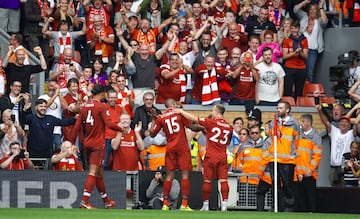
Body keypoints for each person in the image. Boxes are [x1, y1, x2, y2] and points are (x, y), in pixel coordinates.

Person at [69, 84, 123, 209]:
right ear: (103, 93)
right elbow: (109, 123)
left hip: (87, 143)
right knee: (93, 172)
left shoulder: (83, 108)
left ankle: (107, 202)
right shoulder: (101, 106)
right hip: (98, 144)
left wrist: (71, 142)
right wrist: (122, 129)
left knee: (99, 173)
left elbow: (76, 127)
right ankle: (84, 201)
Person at [175, 104, 233, 211]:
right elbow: (228, 142)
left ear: (216, 112)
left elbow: (194, 119)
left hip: (210, 156)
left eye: (213, 110)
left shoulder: (211, 122)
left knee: (207, 181)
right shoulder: (229, 127)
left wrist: (181, 112)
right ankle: (224, 206)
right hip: (222, 156)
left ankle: (206, 206)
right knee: (224, 181)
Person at [150, 98, 194, 211]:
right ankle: (184, 204)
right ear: (174, 104)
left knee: (169, 176)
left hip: (170, 149)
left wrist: (153, 119)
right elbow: (192, 126)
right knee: (185, 176)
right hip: (182, 147)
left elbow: (152, 134)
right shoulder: (179, 114)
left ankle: (165, 203)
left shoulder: (161, 118)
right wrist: (204, 127)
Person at [264, 100, 300, 212]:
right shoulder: (273, 123)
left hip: (287, 159)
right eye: (278, 108)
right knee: (274, 184)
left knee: (287, 184)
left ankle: (289, 206)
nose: (278, 110)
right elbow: (269, 136)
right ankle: (276, 206)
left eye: (281, 108)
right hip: (274, 158)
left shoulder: (295, 124)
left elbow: (298, 142)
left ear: (287, 110)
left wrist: (293, 154)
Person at [317, 104, 354, 187]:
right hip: (333, 168)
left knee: (347, 192)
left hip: (346, 169)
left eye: (346, 122)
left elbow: (357, 124)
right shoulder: (334, 131)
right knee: (334, 193)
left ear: (349, 125)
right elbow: (325, 121)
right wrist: (319, 111)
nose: (343, 123)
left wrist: (356, 107)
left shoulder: (351, 133)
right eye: (341, 121)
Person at [294, 114, 322, 212]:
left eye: (302, 121)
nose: (300, 123)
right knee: (299, 198)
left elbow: (317, 156)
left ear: (308, 122)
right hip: (298, 174)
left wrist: (310, 170)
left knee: (310, 197)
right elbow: (296, 154)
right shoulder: (298, 136)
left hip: (310, 174)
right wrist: (298, 172)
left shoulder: (316, 137)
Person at [294, 0, 327, 83]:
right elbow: (295, 10)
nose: (312, 11)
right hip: (300, 49)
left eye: (314, 9)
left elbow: (325, 22)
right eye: (311, 9)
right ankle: (299, 93)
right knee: (299, 72)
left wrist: (321, 7)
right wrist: (305, 1)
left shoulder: (318, 20)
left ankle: (309, 94)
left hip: (312, 51)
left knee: (309, 73)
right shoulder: (304, 17)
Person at [38, 80, 68, 151]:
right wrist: (55, 95)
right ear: (47, 87)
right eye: (51, 86)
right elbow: (45, 106)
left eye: (54, 87)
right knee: (45, 150)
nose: (52, 88)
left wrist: (59, 94)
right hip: (45, 129)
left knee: (57, 150)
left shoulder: (59, 98)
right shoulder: (42, 97)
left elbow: (65, 107)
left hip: (57, 130)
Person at [282, 20, 308, 100]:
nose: (294, 30)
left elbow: (306, 56)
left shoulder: (304, 40)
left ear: (299, 29)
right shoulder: (287, 40)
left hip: (301, 68)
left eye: (295, 28)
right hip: (289, 67)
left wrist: (300, 52)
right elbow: (284, 56)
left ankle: (298, 108)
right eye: (292, 28)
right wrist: (294, 53)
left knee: (299, 91)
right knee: (287, 90)